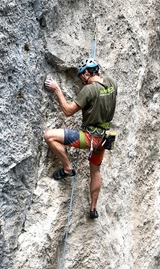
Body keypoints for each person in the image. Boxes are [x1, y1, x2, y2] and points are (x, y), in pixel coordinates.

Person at [44, 58, 117, 219]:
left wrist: (57, 89)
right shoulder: (112, 84)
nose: (81, 82)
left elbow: (68, 111)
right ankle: (93, 208)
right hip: (104, 140)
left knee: (49, 136)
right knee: (95, 171)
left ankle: (68, 168)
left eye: (80, 77)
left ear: (86, 73)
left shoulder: (89, 90)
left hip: (89, 138)